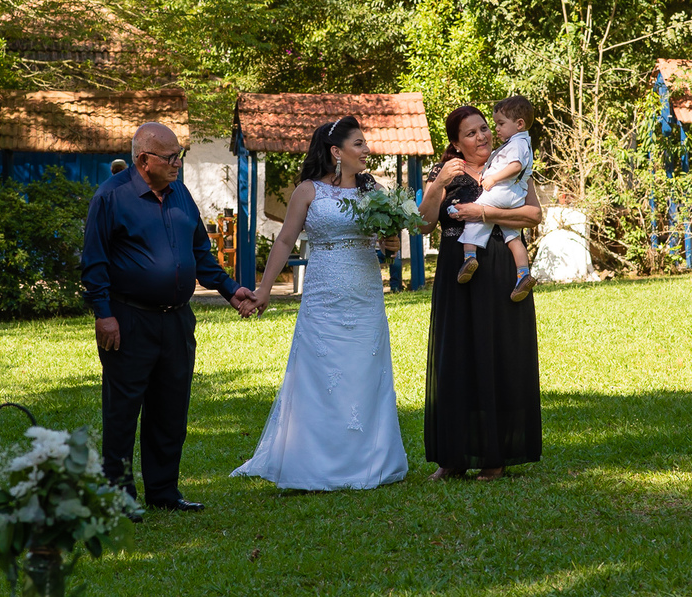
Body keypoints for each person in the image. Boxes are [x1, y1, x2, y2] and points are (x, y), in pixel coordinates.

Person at [81, 122, 254, 513]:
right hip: (129, 320)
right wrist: (104, 315)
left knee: (171, 409)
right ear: (144, 160)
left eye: (180, 155)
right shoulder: (111, 197)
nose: (177, 163)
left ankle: (164, 492)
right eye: (171, 157)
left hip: (176, 321)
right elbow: (94, 264)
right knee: (123, 412)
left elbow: (200, 255)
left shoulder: (179, 194)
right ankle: (119, 498)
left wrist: (230, 289)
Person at [231, 116, 409, 490]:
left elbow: (386, 242)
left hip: (365, 296)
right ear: (336, 152)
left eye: (365, 143)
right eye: (359, 144)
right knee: (321, 376)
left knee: (364, 374)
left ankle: (368, 461)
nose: (366, 150)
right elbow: (284, 242)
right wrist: (263, 290)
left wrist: (391, 245)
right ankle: (315, 462)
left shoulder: (372, 190)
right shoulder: (307, 191)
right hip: (324, 297)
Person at [419, 105, 543, 482]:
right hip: (457, 272)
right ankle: (453, 456)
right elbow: (423, 225)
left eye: (485, 128)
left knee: (499, 356)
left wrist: (483, 214)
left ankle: (496, 455)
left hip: (501, 270)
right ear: (456, 143)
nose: (482, 137)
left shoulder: (512, 165)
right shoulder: (443, 173)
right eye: (471, 133)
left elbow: (534, 215)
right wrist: (438, 184)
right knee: (455, 358)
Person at [454, 95, 537, 302]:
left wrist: (492, 178)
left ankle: (469, 258)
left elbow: (515, 166)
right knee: (514, 238)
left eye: (500, 124)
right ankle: (523, 274)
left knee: (472, 219)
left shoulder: (517, 143)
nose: (496, 129)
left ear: (519, 124)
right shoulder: (522, 141)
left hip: (502, 191)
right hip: (515, 196)